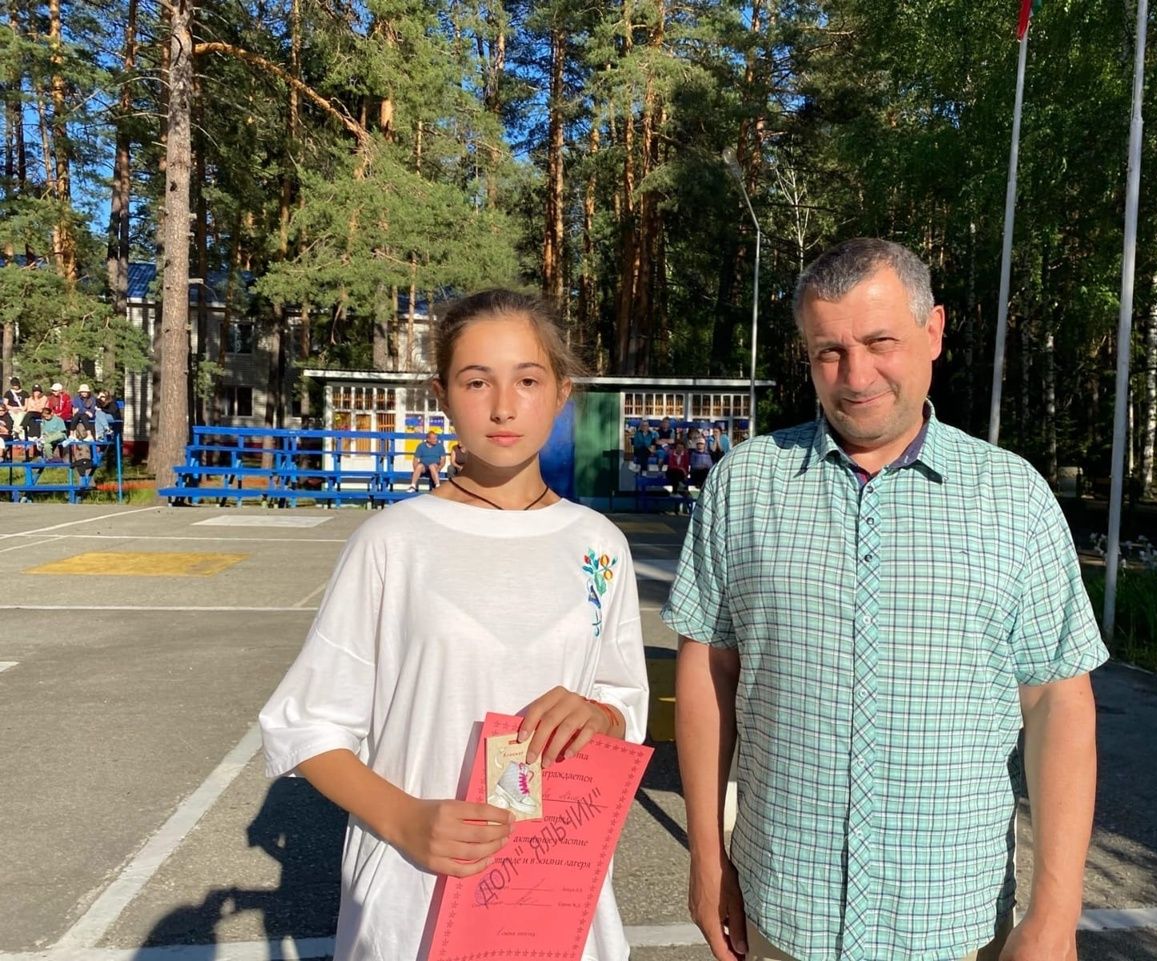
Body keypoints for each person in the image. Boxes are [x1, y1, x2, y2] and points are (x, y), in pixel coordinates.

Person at [664, 238, 1108, 961]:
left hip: (954, 923)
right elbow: (709, 671)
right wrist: (707, 859)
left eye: (880, 342)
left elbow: (1059, 701)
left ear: (933, 330)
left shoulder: (1013, 498)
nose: (856, 375)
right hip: (785, 912)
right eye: (829, 352)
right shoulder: (744, 485)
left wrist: (1057, 909)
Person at [259, 288, 649, 961]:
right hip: (414, 893)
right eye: (477, 381)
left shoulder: (599, 545)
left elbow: (625, 704)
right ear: (441, 394)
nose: (503, 406)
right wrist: (405, 819)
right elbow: (307, 726)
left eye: (527, 380)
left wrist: (599, 716)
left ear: (562, 392)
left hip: (554, 893)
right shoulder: (394, 540)